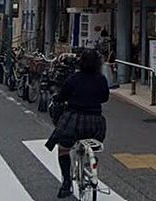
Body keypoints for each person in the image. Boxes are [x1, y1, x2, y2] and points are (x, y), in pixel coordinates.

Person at [45, 50, 109, 199]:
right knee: (92, 145)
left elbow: (61, 97)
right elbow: (105, 97)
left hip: (74, 121)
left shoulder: (74, 78)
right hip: (95, 123)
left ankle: (66, 182)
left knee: (63, 148)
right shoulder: (101, 79)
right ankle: (90, 164)